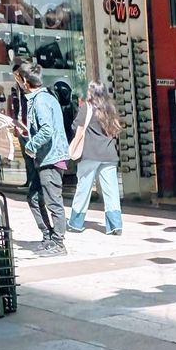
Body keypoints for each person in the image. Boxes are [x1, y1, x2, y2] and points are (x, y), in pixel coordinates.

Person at [18, 62, 70, 258]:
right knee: (34, 198)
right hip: (47, 158)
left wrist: (31, 145)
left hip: (51, 158)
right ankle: (48, 236)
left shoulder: (40, 100)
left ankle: (58, 242)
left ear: (25, 81)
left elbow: (47, 130)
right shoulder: (44, 97)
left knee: (53, 201)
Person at [68, 82, 124, 236]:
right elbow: (115, 130)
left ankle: (76, 223)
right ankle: (115, 225)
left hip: (90, 154)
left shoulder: (87, 107)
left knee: (83, 189)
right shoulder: (110, 108)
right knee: (111, 191)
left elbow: (76, 128)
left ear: (91, 92)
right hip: (109, 154)